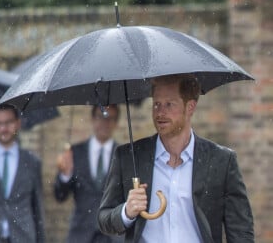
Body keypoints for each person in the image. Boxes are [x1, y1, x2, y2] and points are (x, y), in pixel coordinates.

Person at [98, 74, 254, 243]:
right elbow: (104, 218)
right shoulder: (129, 157)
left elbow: (241, 232)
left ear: (190, 107)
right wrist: (126, 212)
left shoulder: (221, 161)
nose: (160, 112)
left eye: (169, 104)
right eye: (156, 104)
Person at [0, 104, 45, 243]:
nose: (3, 128)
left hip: (23, 237)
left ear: (18, 123)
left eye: (8, 122)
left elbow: (38, 209)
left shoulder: (32, 161)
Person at [54, 104, 123, 243]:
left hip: (113, 235)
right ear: (92, 119)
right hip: (81, 234)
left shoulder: (124, 154)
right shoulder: (75, 152)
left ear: (116, 123)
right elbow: (60, 196)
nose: (105, 122)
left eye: (110, 118)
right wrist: (65, 175)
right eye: (101, 117)